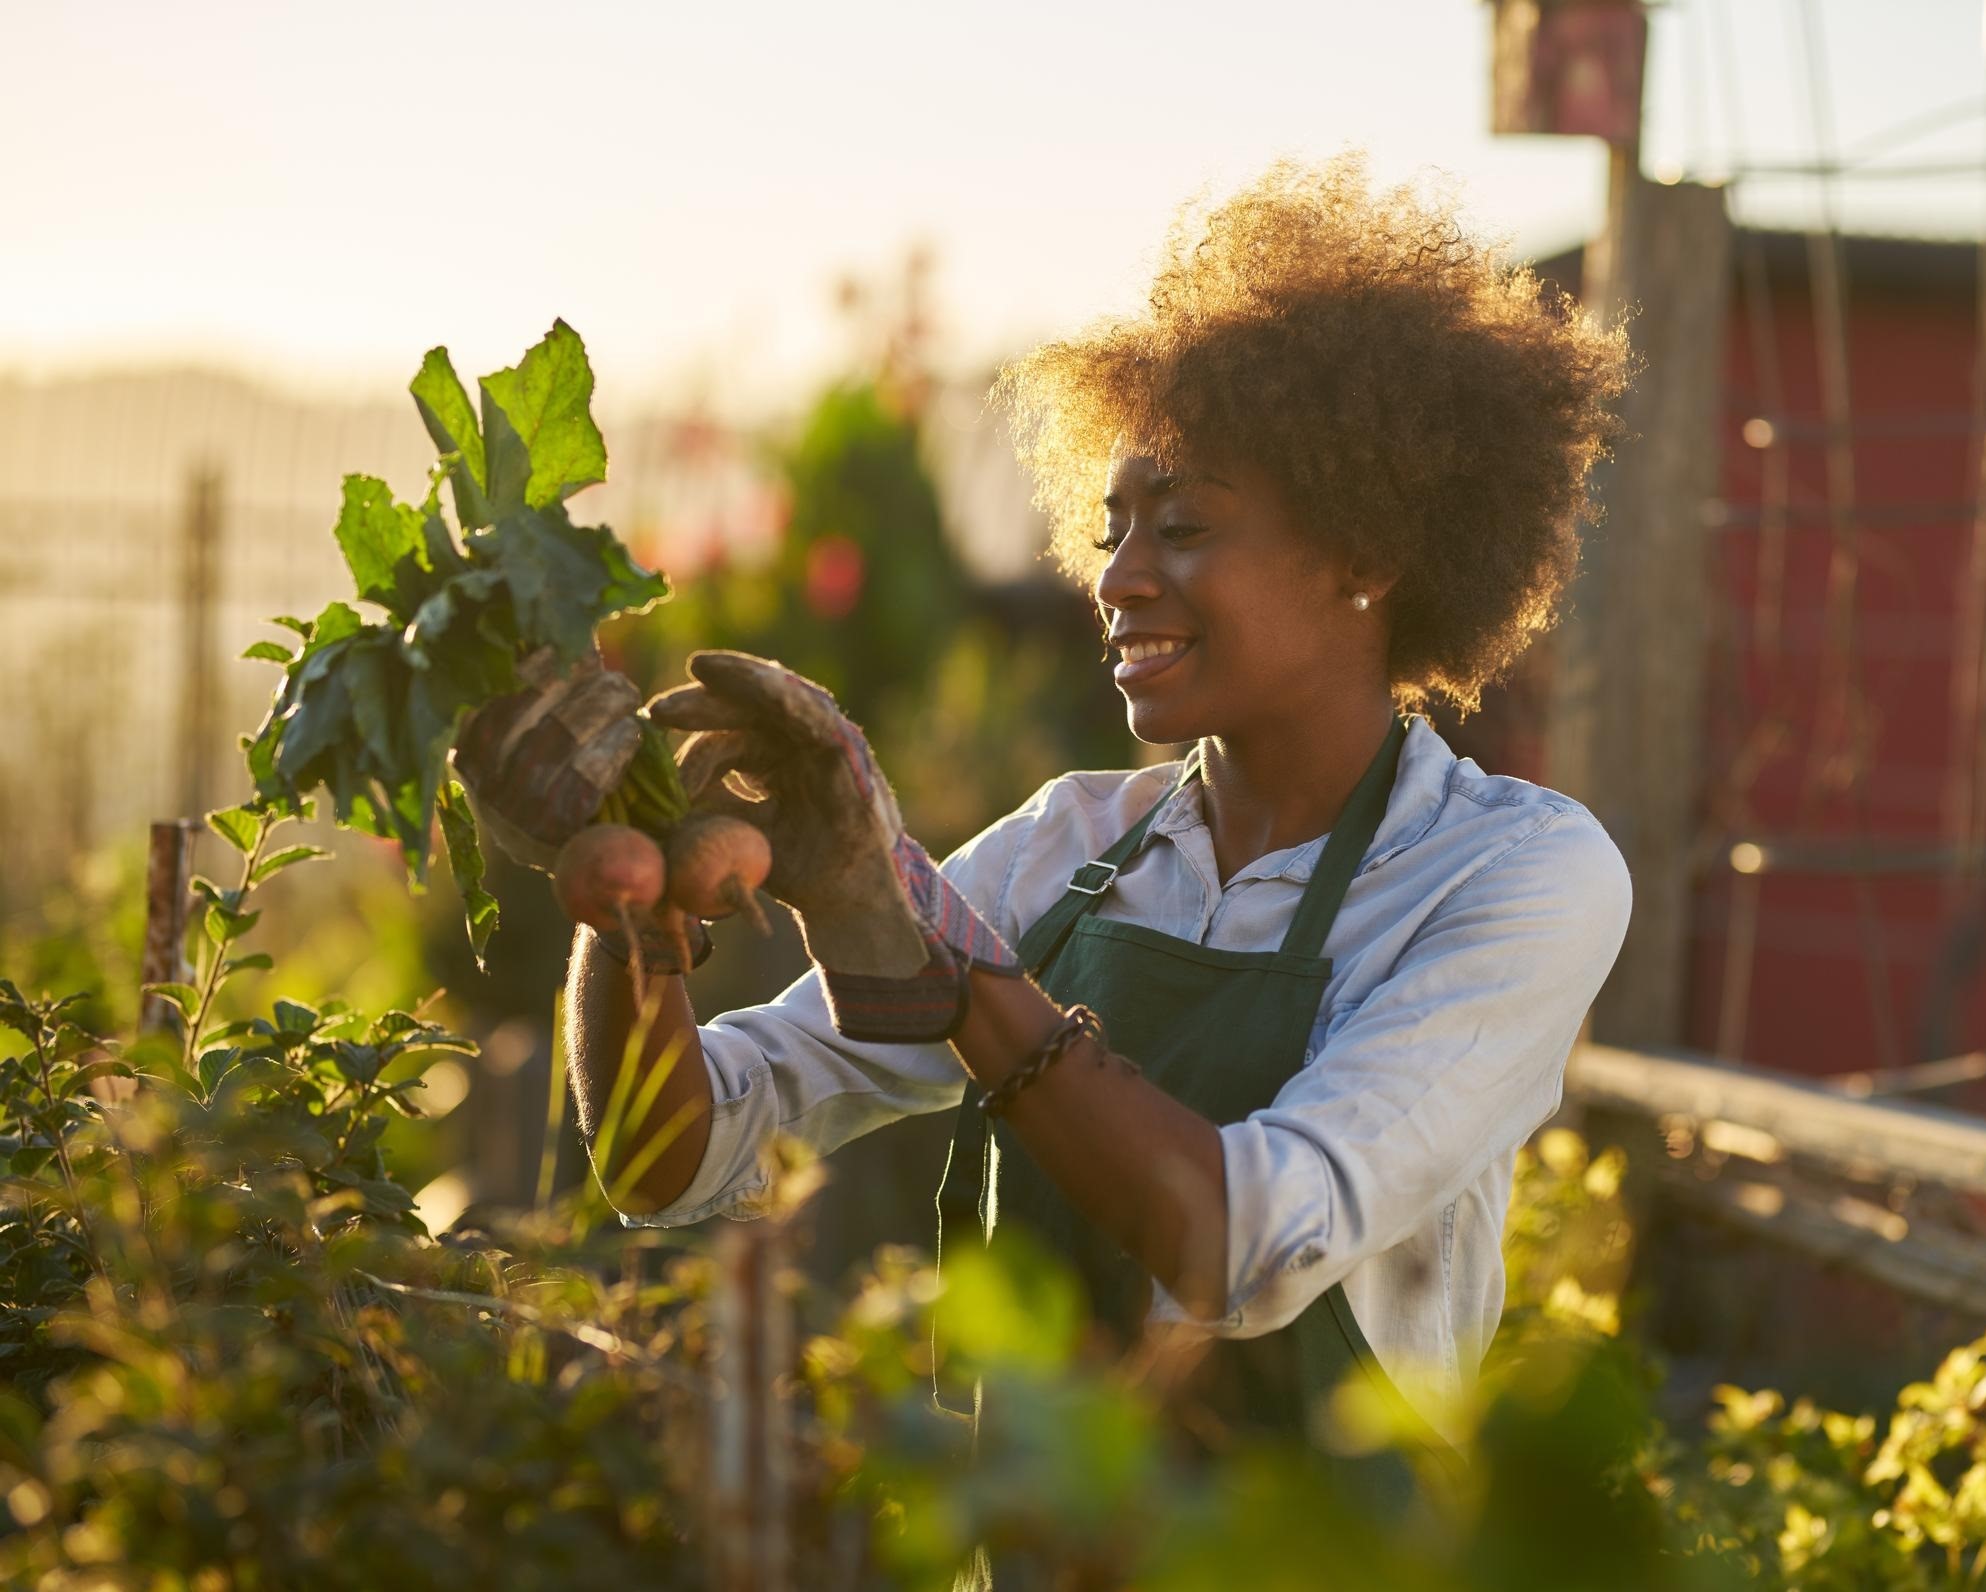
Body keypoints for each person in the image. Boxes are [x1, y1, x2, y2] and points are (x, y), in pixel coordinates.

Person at [455, 154, 1633, 1506]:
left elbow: (1243, 1240)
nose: (1118, 579)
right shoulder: (1070, 845)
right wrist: (631, 910)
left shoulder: (1511, 875)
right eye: (1110, 525)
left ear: (1365, 555)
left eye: (1182, 527)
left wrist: (947, 967)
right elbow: (673, 1160)